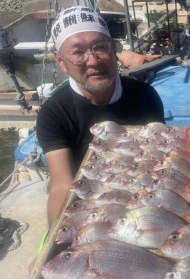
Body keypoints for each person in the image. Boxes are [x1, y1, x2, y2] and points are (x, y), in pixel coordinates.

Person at [36, 6, 165, 227]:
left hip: (140, 188)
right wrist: (53, 241)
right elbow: (61, 185)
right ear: (60, 61)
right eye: (78, 52)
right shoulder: (53, 113)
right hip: (87, 197)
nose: (94, 61)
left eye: (100, 47)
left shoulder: (145, 96)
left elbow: (159, 156)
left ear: (113, 49)